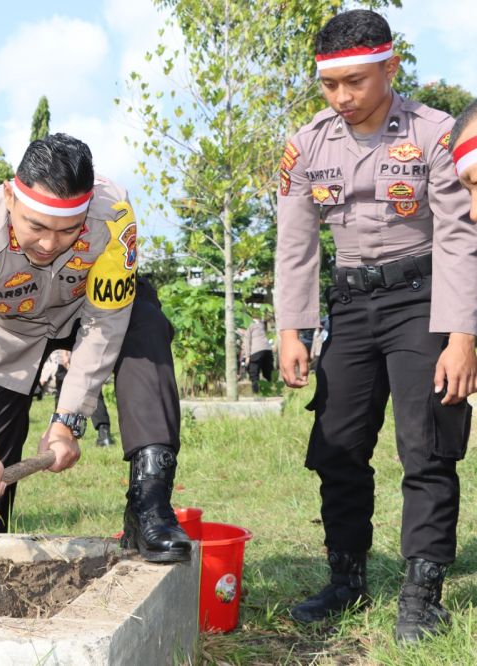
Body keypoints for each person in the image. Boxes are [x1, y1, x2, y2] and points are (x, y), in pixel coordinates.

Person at [274, 11, 477, 643]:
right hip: (352, 305)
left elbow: (459, 233)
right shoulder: (307, 143)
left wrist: (462, 335)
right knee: (337, 444)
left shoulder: (438, 134)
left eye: (356, 82)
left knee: (428, 447)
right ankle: (346, 578)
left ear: (391, 68)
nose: (342, 97)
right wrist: (292, 328)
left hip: (424, 299)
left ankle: (422, 593)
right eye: (330, 85)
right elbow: (297, 240)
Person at [0, 133, 190, 563]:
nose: (49, 244)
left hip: (84, 314)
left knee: (144, 325)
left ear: (87, 211)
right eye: (35, 226)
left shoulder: (113, 219)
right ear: (9, 196)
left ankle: (150, 504)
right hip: (10, 332)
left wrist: (67, 422)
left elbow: (105, 325)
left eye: (67, 231)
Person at [53, 350, 115, 447]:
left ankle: (61, 431)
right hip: (87, 353)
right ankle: (104, 434)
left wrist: (64, 354)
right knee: (93, 392)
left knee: (62, 390)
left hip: (73, 352)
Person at [242, 317, 273, 392]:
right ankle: (271, 390)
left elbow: (247, 341)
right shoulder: (261, 324)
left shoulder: (248, 324)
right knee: (268, 372)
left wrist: (247, 356)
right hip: (267, 349)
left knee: (254, 373)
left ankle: (256, 392)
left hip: (256, 351)